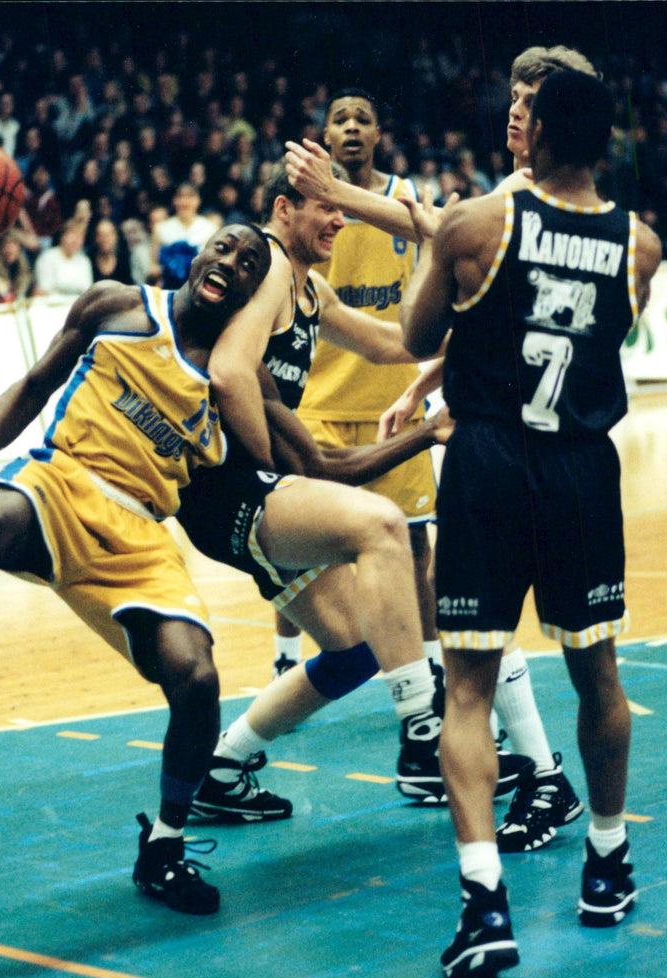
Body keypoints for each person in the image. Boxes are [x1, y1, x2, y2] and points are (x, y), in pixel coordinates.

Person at [0, 224, 273, 916]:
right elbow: (33, 383)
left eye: (249, 262)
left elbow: (295, 464)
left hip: (139, 531)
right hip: (60, 478)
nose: (229, 261)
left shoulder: (240, 380)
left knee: (197, 679)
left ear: (254, 292)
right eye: (223, 246)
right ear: (197, 256)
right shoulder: (118, 306)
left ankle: (164, 848)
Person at [284, 52, 592, 853]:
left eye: (529, 101)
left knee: (480, 624)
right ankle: (549, 782)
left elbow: (434, 231)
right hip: (522, 435)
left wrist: (338, 192)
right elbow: (485, 316)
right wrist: (423, 391)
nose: (512, 112)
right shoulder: (559, 208)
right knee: (481, 624)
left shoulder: (527, 204)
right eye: (513, 96)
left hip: (526, 441)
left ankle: (550, 790)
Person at [399, 70, 661, 978]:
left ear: (539, 130)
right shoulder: (642, 245)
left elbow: (412, 336)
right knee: (599, 674)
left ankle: (483, 904)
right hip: (581, 466)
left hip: (490, 461)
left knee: (466, 688)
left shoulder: (478, 225)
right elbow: (603, 343)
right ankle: (608, 861)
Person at [178, 162, 448, 820]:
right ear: (282, 209)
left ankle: (222, 767)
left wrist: (457, 315)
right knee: (381, 525)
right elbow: (231, 374)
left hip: (233, 499)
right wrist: (277, 471)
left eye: (342, 207)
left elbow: (392, 345)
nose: (339, 218)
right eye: (325, 206)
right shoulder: (268, 264)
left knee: (354, 648)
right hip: (232, 488)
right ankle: (423, 729)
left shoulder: (309, 291)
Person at [272, 89, 441, 710]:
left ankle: (428, 671)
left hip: (391, 401)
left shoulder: (402, 203)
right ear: (324, 134)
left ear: (378, 133)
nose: (349, 127)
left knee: (414, 545)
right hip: (315, 400)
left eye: (361, 119)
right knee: (297, 547)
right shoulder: (310, 216)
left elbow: (433, 250)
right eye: (338, 119)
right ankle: (286, 660)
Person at [148, 182, 219, 289]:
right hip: (169, 287)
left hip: (199, 287)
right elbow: (153, 266)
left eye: (190, 197)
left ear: (198, 200)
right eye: (180, 197)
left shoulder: (210, 229)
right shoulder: (161, 229)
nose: (184, 202)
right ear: (174, 200)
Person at [33, 220, 93, 297]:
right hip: (51, 304)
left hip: (78, 305)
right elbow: (44, 290)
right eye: (72, 235)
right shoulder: (47, 257)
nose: (75, 240)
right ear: (62, 236)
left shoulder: (84, 260)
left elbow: (87, 291)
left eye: (80, 237)